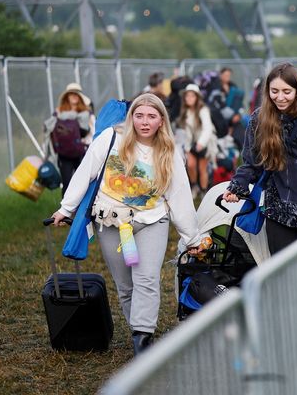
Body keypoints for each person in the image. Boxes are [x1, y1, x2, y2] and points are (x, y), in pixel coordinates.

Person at [50, 93, 203, 356]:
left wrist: (192, 238)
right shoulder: (111, 139)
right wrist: (66, 209)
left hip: (151, 221)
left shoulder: (168, 151)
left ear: (161, 121)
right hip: (112, 222)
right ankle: (138, 328)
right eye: (139, 115)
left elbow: (179, 194)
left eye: (151, 116)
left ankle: (143, 339)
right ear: (131, 117)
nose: (144, 122)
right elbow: (85, 173)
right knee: (126, 286)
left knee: (147, 279)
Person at [223, 64, 297, 254]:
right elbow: (252, 162)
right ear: (267, 91)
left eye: (287, 91)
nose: (280, 97)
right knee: (281, 273)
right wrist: (237, 186)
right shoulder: (258, 119)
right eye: (274, 91)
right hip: (278, 209)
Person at [45, 83, 95, 194]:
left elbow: (92, 131)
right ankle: (66, 210)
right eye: (71, 93)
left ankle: (81, 210)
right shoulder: (59, 112)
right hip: (64, 153)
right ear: (67, 96)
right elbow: (51, 130)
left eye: (76, 94)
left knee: (83, 183)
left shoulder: (87, 113)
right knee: (67, 183)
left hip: (82, 152)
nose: (74, 96)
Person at [177, 84, 217, 196]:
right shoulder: (186, 112)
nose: (189, 98)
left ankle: (204, 191)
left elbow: (207, 128)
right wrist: (187, 147)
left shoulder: (203, 110)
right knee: (190, 165)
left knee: (202, 168)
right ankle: (194, 185)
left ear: (197, 97)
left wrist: (201, 143)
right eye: (187, 96)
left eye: (192, 96)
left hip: (204, 143)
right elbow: (186, 132)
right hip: (191, 143)